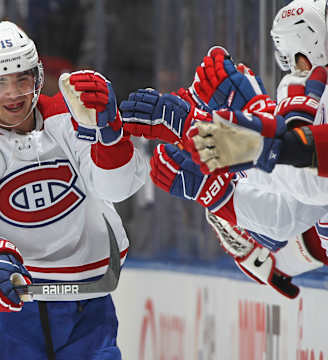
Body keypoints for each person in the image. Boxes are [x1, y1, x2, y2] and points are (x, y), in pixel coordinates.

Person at [0, 21, 147, 359]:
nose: (14, 93)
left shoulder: (70, 116)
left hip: (87, 304)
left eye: (22, 77)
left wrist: (110, 135)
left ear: (38, 74)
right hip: (12, 306)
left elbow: (116, 188)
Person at [119, 0, 328, 298]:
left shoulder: (310, 90)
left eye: (296, 60)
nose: (297, 70)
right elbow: (300, 199)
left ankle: (268, 255)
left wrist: (227, 130)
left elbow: (310, 186)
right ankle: (270, 257)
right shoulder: (311, 87)